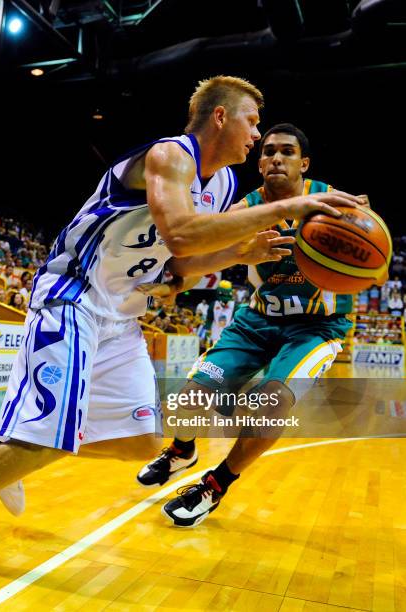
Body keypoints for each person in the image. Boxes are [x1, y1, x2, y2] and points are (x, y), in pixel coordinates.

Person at [0, 78, 364, 579]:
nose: (257, 136)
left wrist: (239, 252)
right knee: (54, 433)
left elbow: (184, 263)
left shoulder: (225, 186)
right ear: (220, 117)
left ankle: (11, 445)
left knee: (144, 441)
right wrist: (286, 209)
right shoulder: (170, 156)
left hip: (122, 315)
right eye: (253, 122)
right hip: (73, 295)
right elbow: (181, 234)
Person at [137, 123, 374, 527]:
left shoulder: (333, 204)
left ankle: (214, 484)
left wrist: (364, 227)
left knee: (270, 404)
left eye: (286, 151)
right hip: (257, 320)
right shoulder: (245, 209)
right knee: (188, 399)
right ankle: (182, 450)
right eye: (268, 152)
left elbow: (369, 250)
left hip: (315, 328)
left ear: (305, 163)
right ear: (260, 162)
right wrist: (181, 279)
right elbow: (206, 247)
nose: (276, 158)